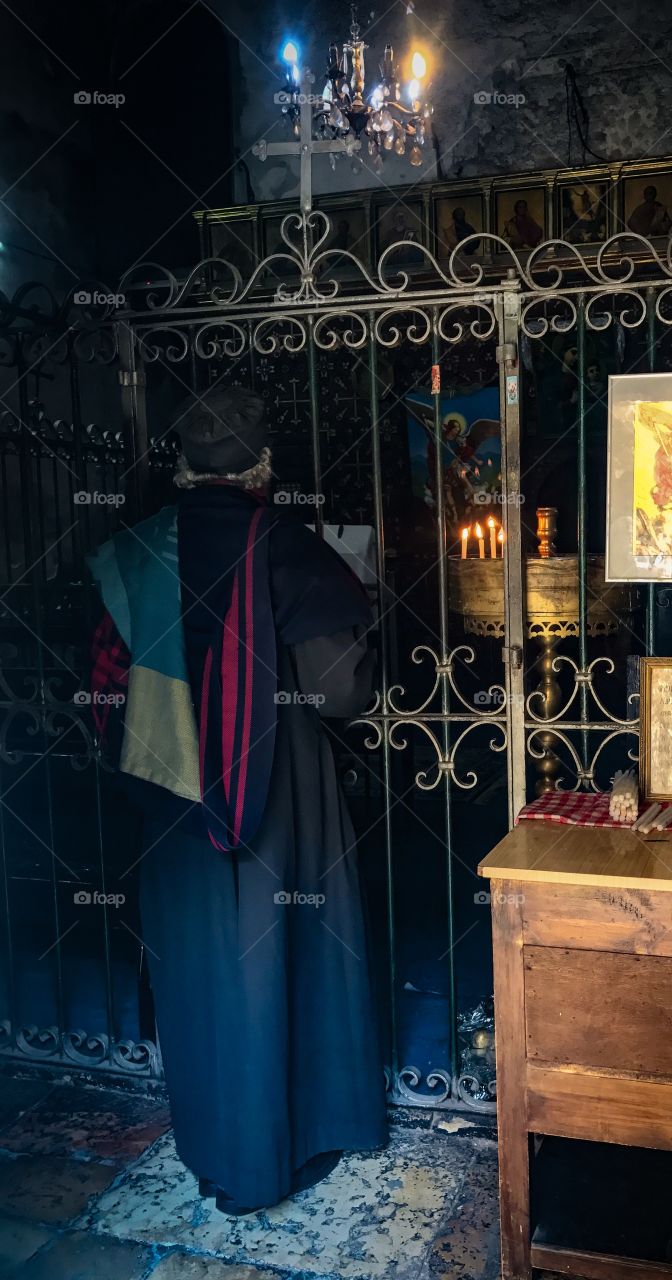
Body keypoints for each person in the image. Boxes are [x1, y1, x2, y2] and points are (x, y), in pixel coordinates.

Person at [87, 388, 386, 1214]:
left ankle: (220, 1150)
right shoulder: (285, 547)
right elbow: (338, 693)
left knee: (201, 972)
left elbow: (105, 697)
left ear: (180, 462)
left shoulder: (134, 552)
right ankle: (290, 1147)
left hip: (171, 796)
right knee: (288, 956)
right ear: (262, 466)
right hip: (278, 790)